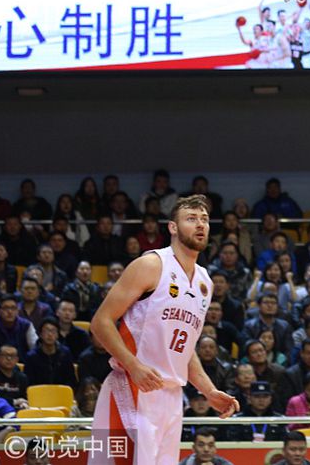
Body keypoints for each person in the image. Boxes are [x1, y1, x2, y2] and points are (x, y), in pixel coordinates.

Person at [89, 196, 239, 465]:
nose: (200, 225)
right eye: (191, 219)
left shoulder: (205, 282)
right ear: (172, 227)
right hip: (133, 387)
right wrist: (133, 365)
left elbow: (184, 348)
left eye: (204, 219)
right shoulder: (151, 265)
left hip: (172, 397)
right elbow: (101, 322)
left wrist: (208, 390)